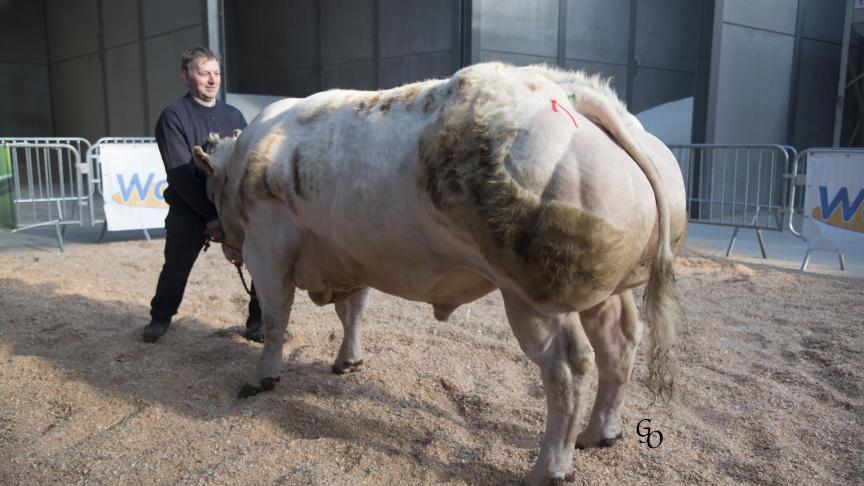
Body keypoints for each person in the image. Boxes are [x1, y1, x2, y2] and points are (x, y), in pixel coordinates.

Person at [142, 45, 262, 343]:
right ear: (186, 76)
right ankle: (160, 316)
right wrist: (210, 217)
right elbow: (181, 174)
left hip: (233, 207)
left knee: (262, 259)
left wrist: (233, 214)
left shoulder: (234, 114)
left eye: (216, 73)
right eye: (203, 73)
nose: (212, 80)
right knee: (177, 264)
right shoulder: (173, 116)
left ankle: (259, 321)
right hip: (190, 207)